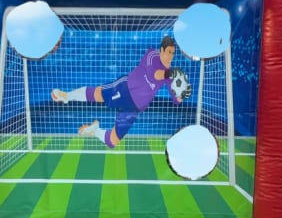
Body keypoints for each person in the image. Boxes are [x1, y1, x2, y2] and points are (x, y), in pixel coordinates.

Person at [51, 35, 191, 148]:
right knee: (98, 94)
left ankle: (94, 130)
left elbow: (176, 99)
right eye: (169, 52)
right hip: (126, 89)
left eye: (173, 53)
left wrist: (183, 93)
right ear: (161, 50)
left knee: (113, 141)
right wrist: (170, 73)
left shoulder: (170, 72)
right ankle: (66, 96)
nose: (171, 56)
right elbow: (153, 74)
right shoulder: (152, 55)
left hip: (135, 108)